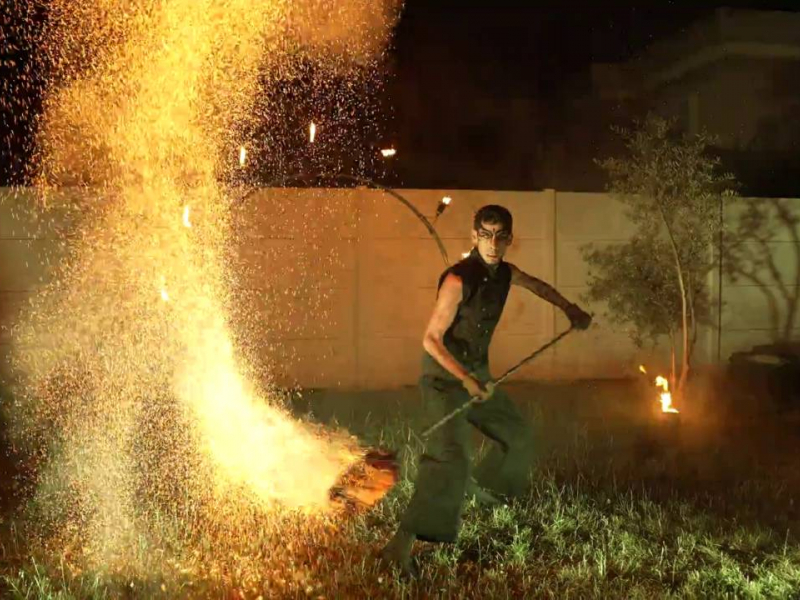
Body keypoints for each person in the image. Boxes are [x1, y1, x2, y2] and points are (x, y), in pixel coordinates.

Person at [380, 204, 592, 577]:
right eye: (486, 235)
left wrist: (569, 308)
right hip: (444, 380)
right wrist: (466, 379)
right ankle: (398, 548)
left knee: (517, 434)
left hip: (477, 376)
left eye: (500, 237)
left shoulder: (506, 273)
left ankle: (477, 485)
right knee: (449, 460)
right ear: (474, 236)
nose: (493, 244)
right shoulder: (458, 280)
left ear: (509, 239)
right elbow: (431, 340)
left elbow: (538, 286)